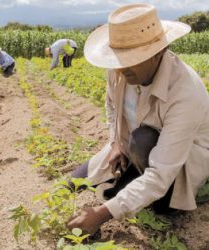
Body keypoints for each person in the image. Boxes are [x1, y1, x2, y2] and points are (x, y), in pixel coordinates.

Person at [66, 3, 209, 235]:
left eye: (131, 59)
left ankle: (163, 203)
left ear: (158, 52)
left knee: (142, 142)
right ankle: (128, 178)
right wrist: (115, 143)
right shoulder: (119, 70)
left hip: (176, 164)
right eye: (118, 60)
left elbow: (161, 174)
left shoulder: (185, 93)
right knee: (71, 183)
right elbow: (110, 104)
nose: (121, 69)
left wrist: (101, 214)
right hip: (132, 148)